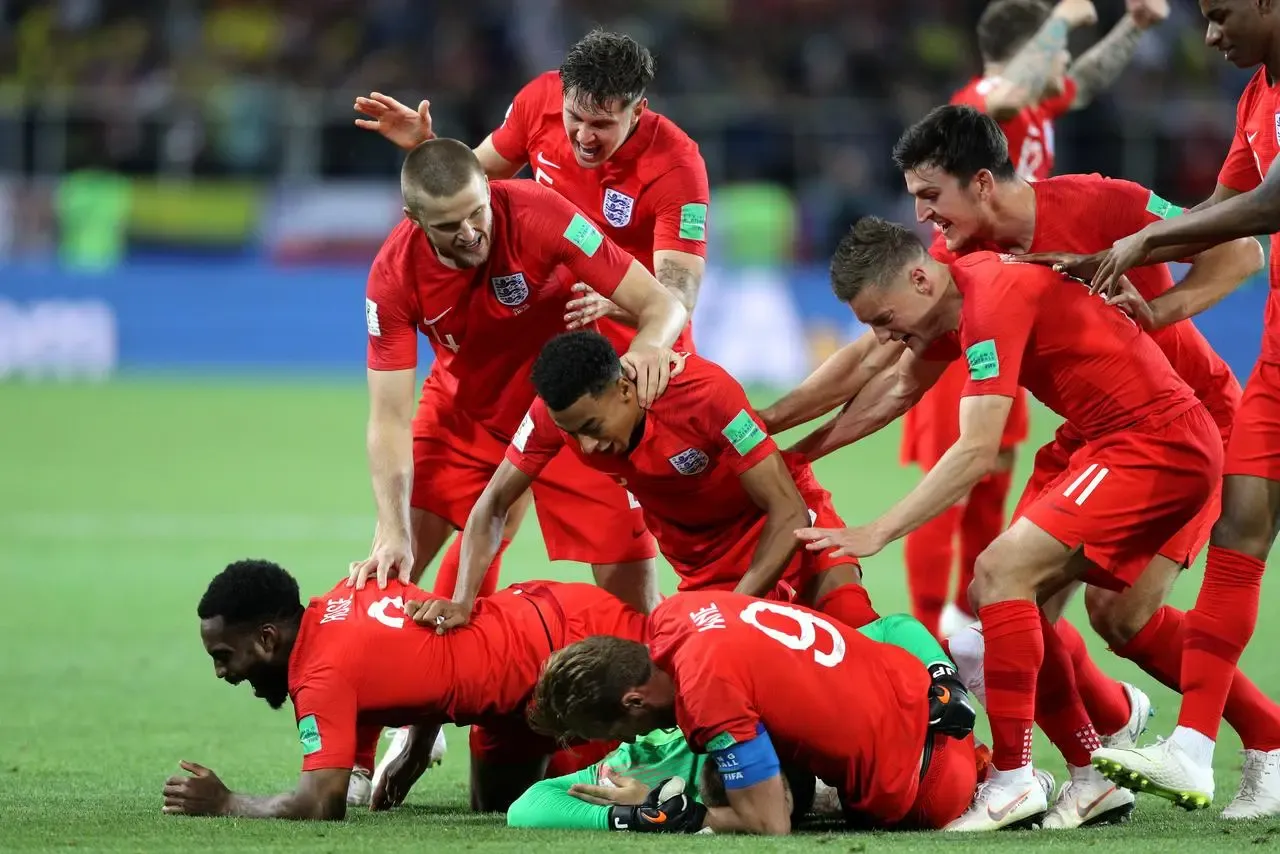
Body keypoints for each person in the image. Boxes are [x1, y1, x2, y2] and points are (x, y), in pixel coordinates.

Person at [880, 103, 1274, 826]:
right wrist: (779, 427)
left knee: (1117, 615)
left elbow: (1243, 252)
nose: (922, 214)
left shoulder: (1099, 203)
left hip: (1186, 421)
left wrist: (1162, 311)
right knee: (1012, 597)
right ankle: (1097, 752)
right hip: (1095, 434)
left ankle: (1264, 739)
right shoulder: (959, 257)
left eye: (930, 194)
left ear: (983, 183)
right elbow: (889, 353)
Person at [794, 218, 1221, 830]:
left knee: (1000, 575)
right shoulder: (955, 300)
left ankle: (1015, 778)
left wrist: (876, 532)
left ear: (919, 278)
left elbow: (976, 451)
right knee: (1002, 603)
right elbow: (891, 392)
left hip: (1154, 442)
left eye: (883, 319)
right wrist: (791, 451)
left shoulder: (990, 298)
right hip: (1115, 443)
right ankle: (1092, 774)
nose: (882, 336)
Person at [354, 29, 710, 609]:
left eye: (603, 125)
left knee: (630, 595)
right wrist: (428, 149)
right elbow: (471, 184)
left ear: (639, 111)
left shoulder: (676, 167)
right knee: (416, 558)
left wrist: (616, 301)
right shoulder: (536, 105)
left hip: (607, 377)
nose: (582, 137)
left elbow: (676, 291)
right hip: (505, 352)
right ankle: (446, 678)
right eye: (575, 118)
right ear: (560, 95)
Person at [1040, 0, 1280, 818]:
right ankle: (1196, 745)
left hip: (1201, 406)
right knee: (1242, 529)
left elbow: (1264, 212)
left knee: (1129, 596)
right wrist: (1128, 271)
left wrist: (1139, 247)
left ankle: (1215, 743)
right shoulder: (1256, 96)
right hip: (1273, 349)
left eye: (1219, 16)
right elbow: (1217, 213)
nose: (1211, 37)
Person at [898, 0, 1169, 637]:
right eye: (1055, 52)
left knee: (991, 477)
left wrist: (1135, 25)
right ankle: (922, 640)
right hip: (961, 306)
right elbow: (1021, 81)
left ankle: (972, 635)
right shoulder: (980, 105)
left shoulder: (1034, 108)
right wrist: (1067, 16)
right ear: (1027, 49)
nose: (1066, 64)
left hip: (1011, 310)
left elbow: (1083, 83)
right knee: (948, 476)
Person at [414, 330, 878, 636]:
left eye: (592, 428)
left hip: (785, 531)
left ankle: (935, 699)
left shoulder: (704, 394)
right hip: (703, 567)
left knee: (853, 625)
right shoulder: (553, 417)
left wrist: (734, 611)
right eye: (571, 433)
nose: (586, 447)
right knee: (708, 695)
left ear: (624, 389)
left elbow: (787, 509)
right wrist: (462, 600)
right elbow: (494, 503)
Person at [161, 560, 647, 820]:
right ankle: (582, 758)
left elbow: (319, 804)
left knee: (685, 728)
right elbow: (425, 642)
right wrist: (416, 743)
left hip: (576, 660)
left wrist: (226, 803)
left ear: (267, 638)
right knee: (497, 804)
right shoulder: (344, 593)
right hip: (526, 658)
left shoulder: (318, 677)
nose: (222, 673)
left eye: (224, 656)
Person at [528, 591, 997, 834]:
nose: (625, 741)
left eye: (615, 730)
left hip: (929, 790)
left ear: (633, 702)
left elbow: (771, 826)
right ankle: (953, 668)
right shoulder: (679, 612)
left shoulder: (705, 695)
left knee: (759, 793)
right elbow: (895, 626)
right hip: (930, 704)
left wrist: (669, 815)